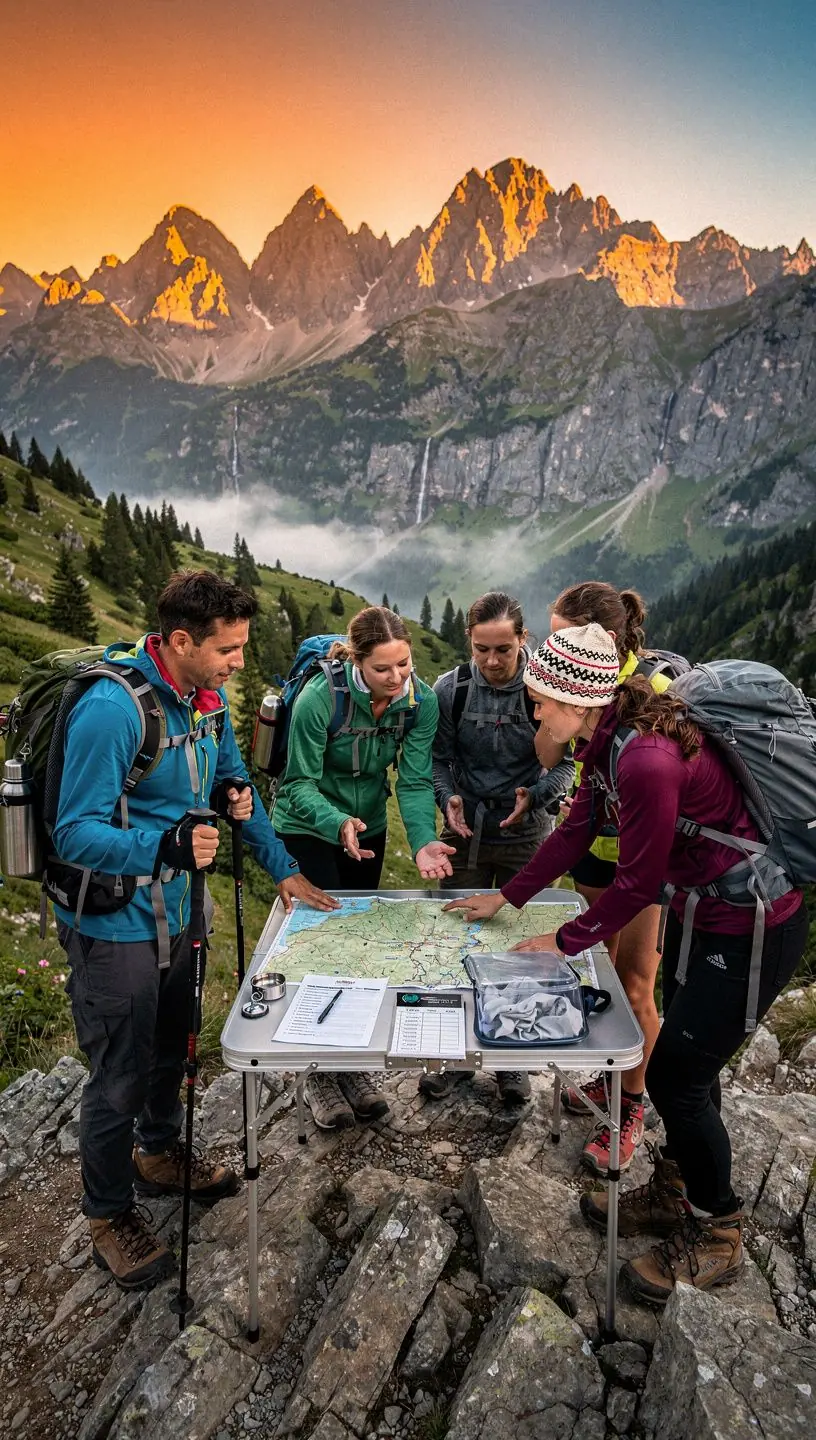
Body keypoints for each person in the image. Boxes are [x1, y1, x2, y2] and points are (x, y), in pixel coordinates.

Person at [446, 623, 807, 1304]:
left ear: (578, 703)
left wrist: (562, 943)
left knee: (677, 1077)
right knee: (685, 1066)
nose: (535, 713)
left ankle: (717, 1230)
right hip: (708, 911)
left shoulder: (642, 758)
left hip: (754, 922)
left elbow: (637, 885)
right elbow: (580, 827)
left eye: (542, 702)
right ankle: (678, 1191)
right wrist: (509, 894)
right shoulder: (606, 742)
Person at [52, 570, 336, 1291]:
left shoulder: (206, 703)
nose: (240, 661)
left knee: (174, 1047)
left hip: (182, 910)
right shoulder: (112, 712)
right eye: (229, 648)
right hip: (113, 919)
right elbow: (73, 832)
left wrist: (283, 869)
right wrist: (163, 848)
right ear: (181, 640)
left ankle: (157, 1153)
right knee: (118, 1072)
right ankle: (108, 1217)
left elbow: (237, 793)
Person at [272, 605, 456, 1131]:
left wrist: (422, 841)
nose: (397, 678)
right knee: (320, 941)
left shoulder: (418, 703)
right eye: (383, 669)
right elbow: (297, 784)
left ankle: (349, 1064)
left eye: (404, 664)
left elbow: (416, 781)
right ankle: (318, 1074)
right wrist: (337, 824)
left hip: (369, 825)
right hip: (309, 826)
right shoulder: (317, 701)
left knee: (360, 942)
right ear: (357, 662)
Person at [533, 583, 671, 1176]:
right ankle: (606, 1076)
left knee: (637, 982)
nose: (552, 644)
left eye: (561, 635)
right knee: (600, 969)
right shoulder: (572, 682)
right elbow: (548, 754)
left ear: (607, 640)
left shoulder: (653, 697)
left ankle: (632, 1106)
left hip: (644, 860)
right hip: (594, 844)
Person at [421, 590, 574, 1107]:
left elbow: (570, 763)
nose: (490, 661)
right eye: (481, 649)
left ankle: (512, 1059)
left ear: (523, 641)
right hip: (464, 834)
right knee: (455, 939)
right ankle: (454, 1054)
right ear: (470, 641)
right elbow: (437, 760)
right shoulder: (451, 691)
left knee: (520, 946)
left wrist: (536, 798)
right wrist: (449, 799)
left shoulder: (548, 689)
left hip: (527, 836)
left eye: (502, 650)